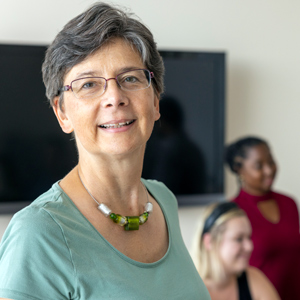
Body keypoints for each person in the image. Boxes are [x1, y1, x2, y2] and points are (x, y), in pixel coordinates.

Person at [0, 3, 211, 299]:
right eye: (89, 84)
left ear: (155, 101)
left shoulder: (163, 200)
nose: (115, 97)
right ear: (62, 113)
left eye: (131, 78)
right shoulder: (38, 233)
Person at [225, 136, 300, 299]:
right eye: (259, 166)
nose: (269, 170)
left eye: (271, 162)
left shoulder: (290, 203)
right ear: (239, 169)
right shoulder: (233, 211)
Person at [190, 202, 280, 300]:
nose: (249, 247)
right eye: (239, 239)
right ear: (209, 241)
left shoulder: (254, 280)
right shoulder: (188, 290)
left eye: (249, 237)